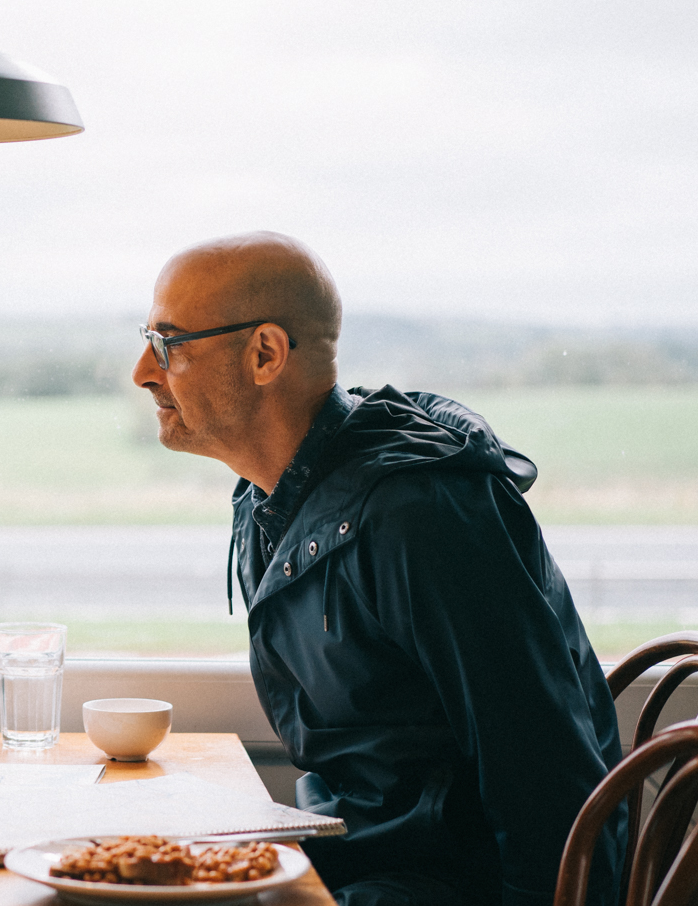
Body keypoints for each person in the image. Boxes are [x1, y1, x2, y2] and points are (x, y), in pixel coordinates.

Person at [131, 232, 624, 906]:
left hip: (441, 884)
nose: (142, 370)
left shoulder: (421, 513)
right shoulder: (267, 499)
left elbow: (545, 781)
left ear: (265, 354)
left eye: (167, 343)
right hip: (356, 857)